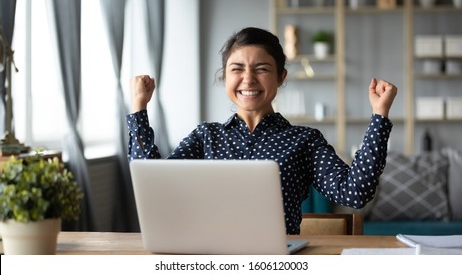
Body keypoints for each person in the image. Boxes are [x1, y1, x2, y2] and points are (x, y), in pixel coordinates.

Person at [126, 27, 398, 235]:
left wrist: (379, 116)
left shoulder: (305, 140)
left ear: (281, 77)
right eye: (237, 69)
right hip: (209, 258)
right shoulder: (205, 137)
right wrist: (139, 108)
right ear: (225, 77)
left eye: (261, 69)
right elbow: (156, 187)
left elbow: (355, 193)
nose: (248, 79)